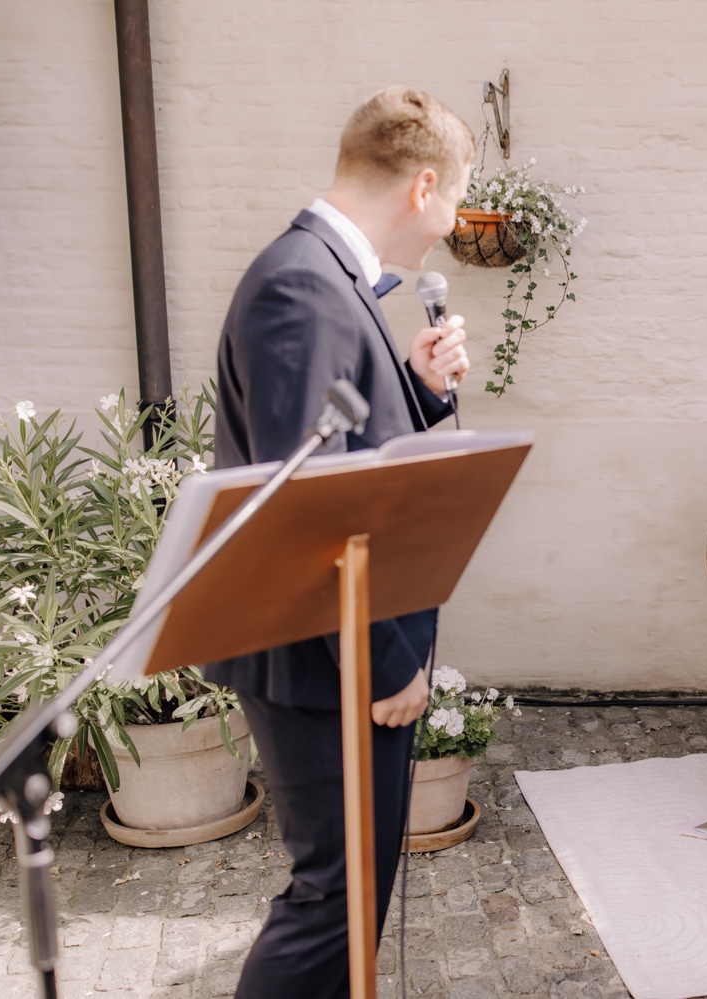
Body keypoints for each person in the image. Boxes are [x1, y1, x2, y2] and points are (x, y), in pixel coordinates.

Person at [205, 86, 475, 998]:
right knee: (333, 901)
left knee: (350, 897)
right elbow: (305, 502)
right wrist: (384, 661)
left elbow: (340, 451)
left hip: (333, 647)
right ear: (423, 185)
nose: (448, 226)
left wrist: (414, 386)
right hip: (326, 661)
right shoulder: (303, 286)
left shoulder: (326, 278)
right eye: (453, 203)